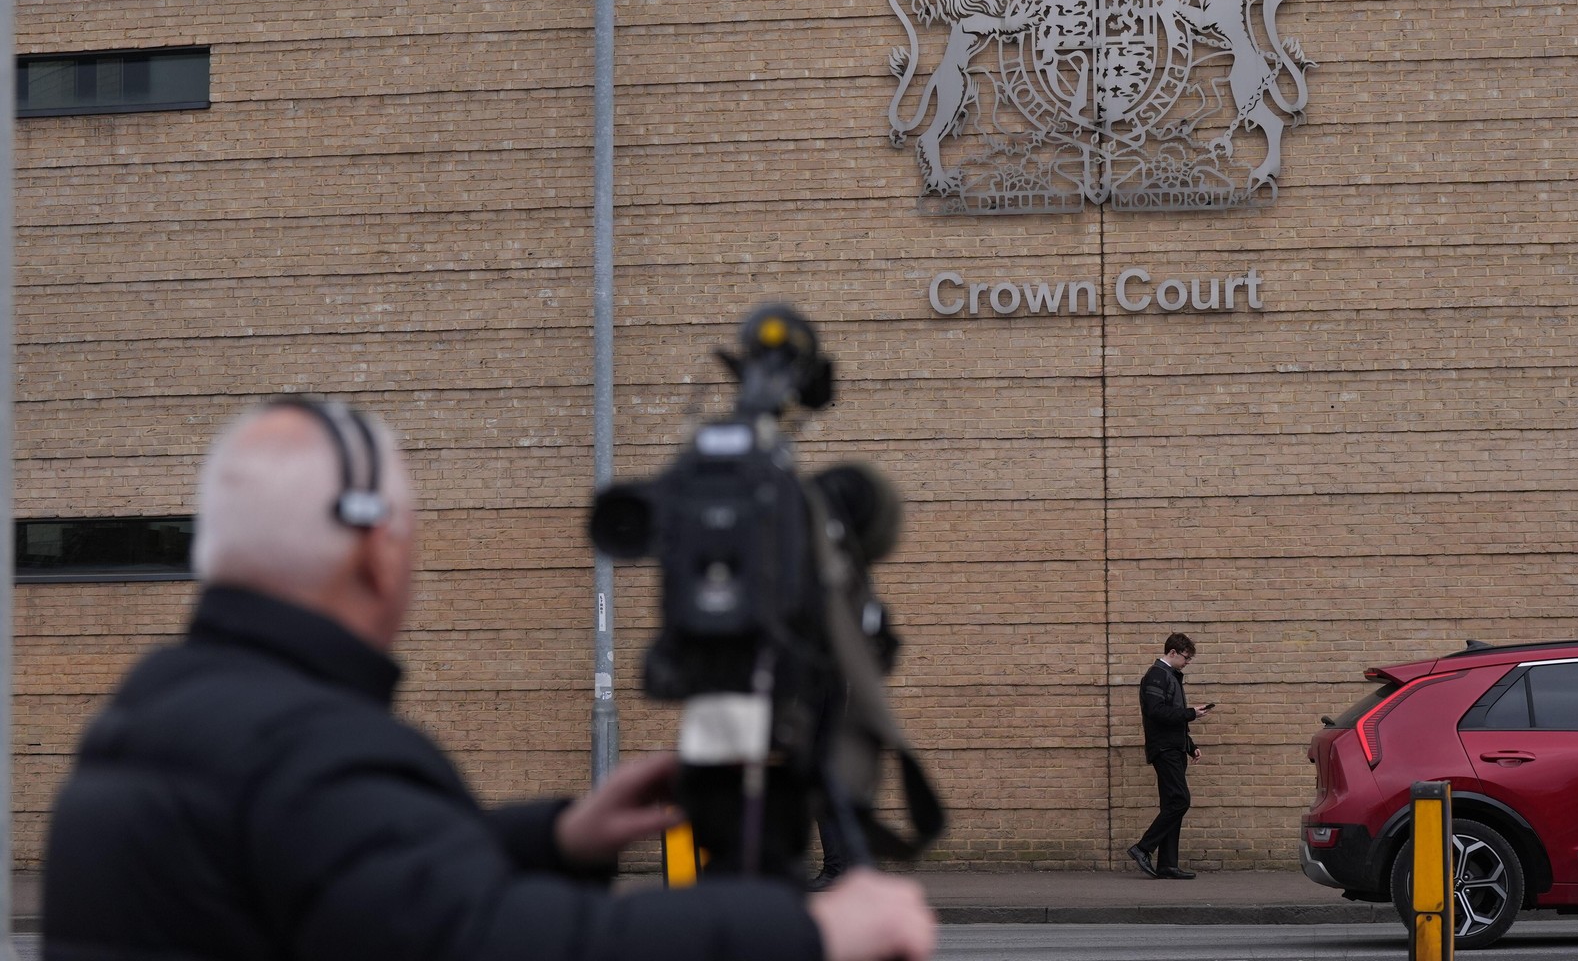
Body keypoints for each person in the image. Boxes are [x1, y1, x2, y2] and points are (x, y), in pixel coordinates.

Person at [42, 397, 936, 961]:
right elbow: (506, 942)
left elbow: (357, 885)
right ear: (377, 553)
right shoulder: (314, 750)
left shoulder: (157, 715)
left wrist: (561, 839)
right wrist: (815, 932)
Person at [1126, 632, 1209, 880]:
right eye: (1186, 657)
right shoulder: (1156, 675)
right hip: (1164, 750)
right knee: (1179, 801)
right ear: (1172, 653)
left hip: (1173, 748)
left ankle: (1167, 865)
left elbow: (1173, 717)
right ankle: (1142, 848)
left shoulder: (1170, 676)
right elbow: (1156, 712)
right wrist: (1191, 713)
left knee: (1172, 804)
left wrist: (1189, 744)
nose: (1187, 662)